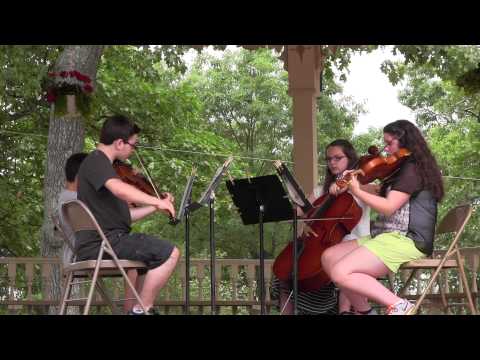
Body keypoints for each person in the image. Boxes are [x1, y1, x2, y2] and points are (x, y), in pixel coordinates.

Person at [321, 120, 444, 315]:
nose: (385, 149)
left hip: (407, 239)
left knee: (340, 272)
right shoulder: (398, 169)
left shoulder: (412, 169)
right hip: (385, 235)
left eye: (390, 143)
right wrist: (349, 185)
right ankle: (366, 312)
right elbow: (378, 191)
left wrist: (357, 191)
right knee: (329, 257)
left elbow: (388, 207)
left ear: (406, 142)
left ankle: (400, 305)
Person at [76, 114, 180, 315]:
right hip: (102, 244)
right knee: (170, 253)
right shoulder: (96, 161)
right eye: (134, 145)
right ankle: (141, 310)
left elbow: (126, 217)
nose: (134, 150)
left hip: (104, 241)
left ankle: (136, 309)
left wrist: (155, 208)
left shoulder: (103, 167)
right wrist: (156, 199)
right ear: (119, 143)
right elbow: (119, 189)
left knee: (148, 262)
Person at [270, 139, 373, 315]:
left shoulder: (363, 188)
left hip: (356, 246)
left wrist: (351, 186)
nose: (332, 162)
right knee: (285, 275)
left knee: (345, 267)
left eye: (337, 158)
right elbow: (301, 212)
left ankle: (344, 311)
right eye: (329, 159)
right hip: (324, 245)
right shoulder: (320, 191)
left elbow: (380, 192)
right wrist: (289, 201)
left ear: (350, 159)